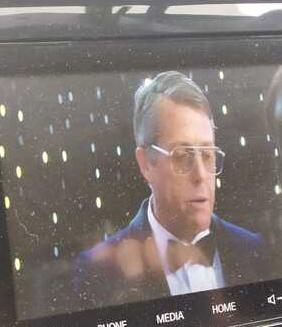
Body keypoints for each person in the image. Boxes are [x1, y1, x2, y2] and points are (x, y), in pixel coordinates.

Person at [75, 71, 264, 304]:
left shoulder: (255, 249)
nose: (201, 175)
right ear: (146, 164)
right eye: (182, 155)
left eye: (207, 155)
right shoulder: (97, 272)